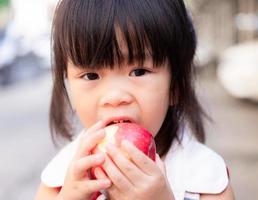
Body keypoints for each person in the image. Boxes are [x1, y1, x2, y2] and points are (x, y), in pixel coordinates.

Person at [35, 0, 235, 199]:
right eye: (91, 76)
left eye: (138, 72)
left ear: (175, 85)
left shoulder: (206, 181)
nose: (115, 97)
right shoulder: (59, 183)